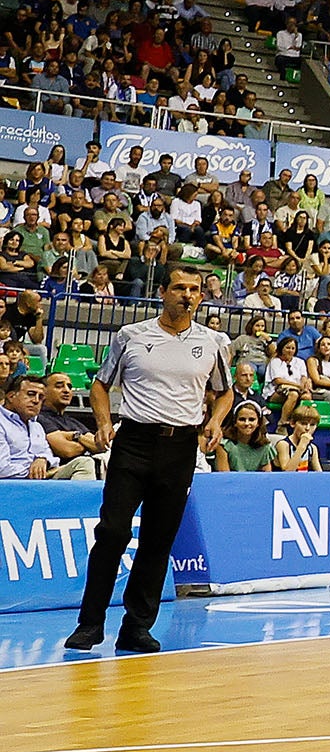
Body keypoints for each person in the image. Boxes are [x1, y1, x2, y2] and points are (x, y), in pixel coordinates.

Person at [67, 263, 234, 653]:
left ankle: (137, 627)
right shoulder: (131, 335)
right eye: (179, 288)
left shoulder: (211, 342)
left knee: (158, 541)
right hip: (134, 441)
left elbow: (223, 392)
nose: (187, 295)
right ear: (163, 292)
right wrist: (104, 422)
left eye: (194, 289)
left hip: (180, 447)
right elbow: (100, 384)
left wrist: (216, 421)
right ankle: (90, 624)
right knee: (112, 533)